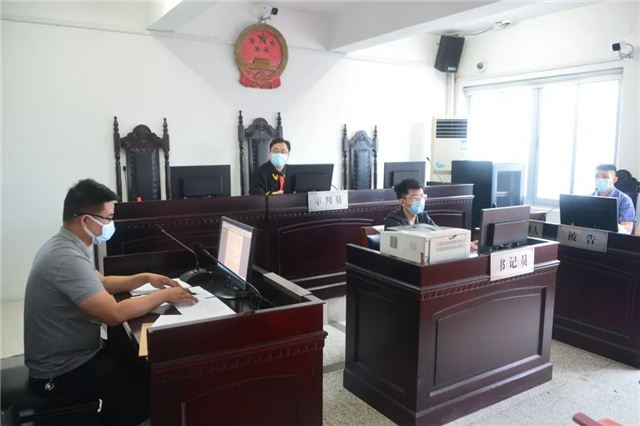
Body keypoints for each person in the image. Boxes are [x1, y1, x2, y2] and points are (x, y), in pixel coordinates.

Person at [24, 179, 197, 426]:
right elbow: (113, 314)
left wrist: (145, 277)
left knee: (136, 360)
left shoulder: (64, 244)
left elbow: (102, 282)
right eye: (108, 218)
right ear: (86, 220)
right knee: (144, 385)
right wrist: (165, 295)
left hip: (77, 353)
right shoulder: (66, 258)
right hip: (60, 371)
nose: (110, 225)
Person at [592, 164, 635, 233]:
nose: (600, 180)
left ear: (614, 179)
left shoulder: (625, 200)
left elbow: (627, 229)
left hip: (613, 237)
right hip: (590, 236)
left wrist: (605, 226)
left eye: (605, 177)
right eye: (597, 176)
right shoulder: (589, 198)